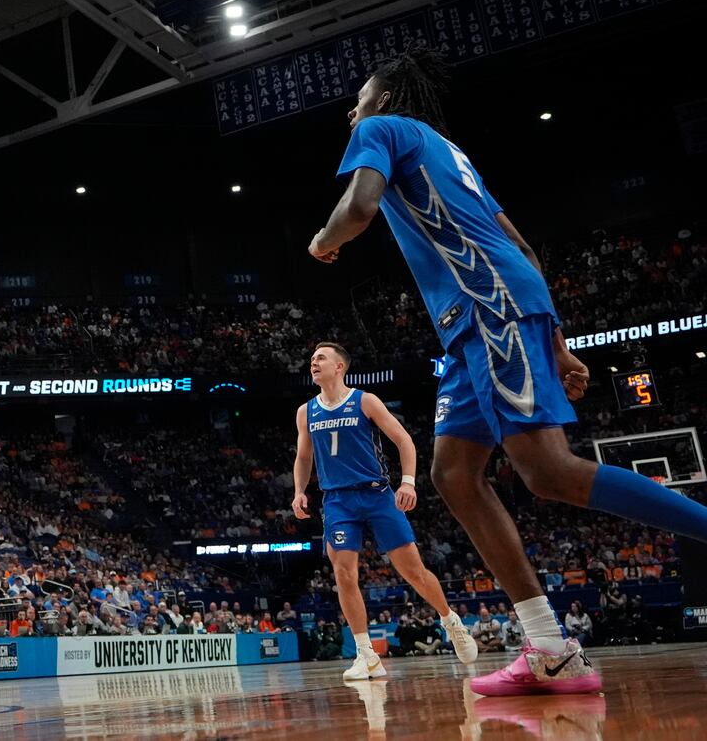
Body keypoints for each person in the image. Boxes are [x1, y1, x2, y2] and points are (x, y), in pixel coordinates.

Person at [308, 46, 707, 696]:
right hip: (483, 318)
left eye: (359, 95)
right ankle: (549, 646)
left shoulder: (378, 130)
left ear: (381, 100)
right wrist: (556, 340)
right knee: (454, 473)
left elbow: (358, 206)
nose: (351, 107)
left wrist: (324, 240)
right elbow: (518, 242)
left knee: (547, 470)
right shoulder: (448, 151)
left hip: (490, 305)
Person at [291, 342, 476, 681]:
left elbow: (404, 440)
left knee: (413, 571)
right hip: (337, 501)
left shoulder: (365, 400)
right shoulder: (306, 411)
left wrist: (408, 482)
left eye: (320, 358)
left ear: (339, 367)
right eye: (312, 359)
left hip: (377, 494)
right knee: (343, 573)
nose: (313, 362)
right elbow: (304, 458)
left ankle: (451, 622)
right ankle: (367, 656)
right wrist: (300, 491)